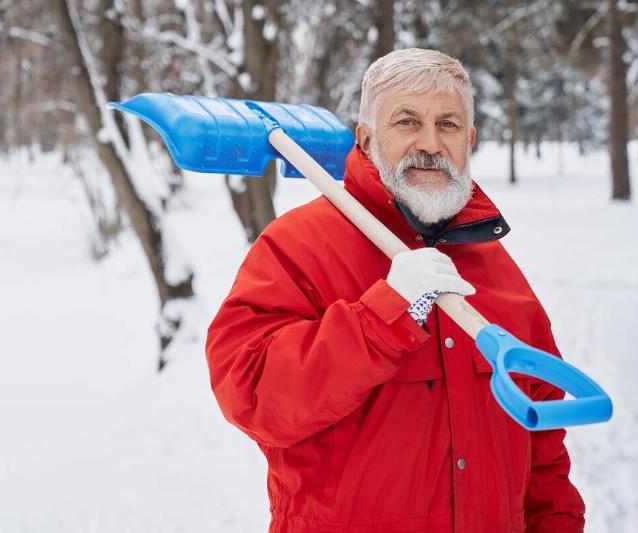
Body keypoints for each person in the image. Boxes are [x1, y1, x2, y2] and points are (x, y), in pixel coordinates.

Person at [205, 48, 585, 533]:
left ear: (469, 139)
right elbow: (251, 395)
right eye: (407, 122)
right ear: (366, 138)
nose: (430, 143)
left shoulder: (493, 265)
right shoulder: (299, 246)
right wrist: (382, 315)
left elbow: (543, 447)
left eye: (448, 124)